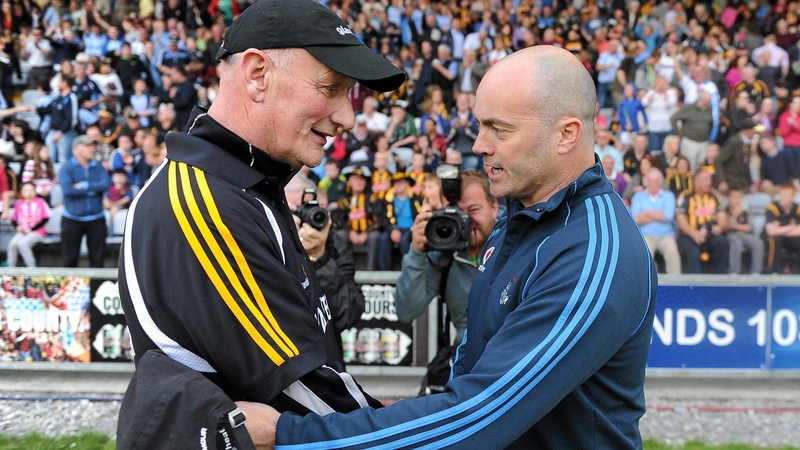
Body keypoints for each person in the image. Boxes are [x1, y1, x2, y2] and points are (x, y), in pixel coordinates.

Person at [237, 46, 657, 450]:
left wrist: (289, 435)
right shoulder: (520, 215)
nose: (478, 145)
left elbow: (478, 416)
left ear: (567, 135)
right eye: (479, 125)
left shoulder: (594, 251)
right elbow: (472, 372)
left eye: (500, 129)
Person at [117, 0, 406, 446]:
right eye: (331, 87)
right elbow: (311, 404)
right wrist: (444, 423)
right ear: (256, 74)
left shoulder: (244, 185)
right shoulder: (203, 200)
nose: (348, 116)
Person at [395, 170, 498, 346]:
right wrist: (417, 252)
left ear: (494, 208)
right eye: (457, 214)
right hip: (466, 359)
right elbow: (407, 311)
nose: (465, 221)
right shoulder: (443, 256)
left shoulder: (515, 243)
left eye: (473, 210)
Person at [59, 135, 111, 267]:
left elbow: (106, 185)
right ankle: (71, 288)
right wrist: (94, 189)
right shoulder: (67, 168)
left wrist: (83, 185)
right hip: (72, 219)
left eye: (93, 146)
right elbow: (69, 191)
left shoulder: (98, 167)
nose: (92, 149)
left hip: (96, 218)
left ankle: (96, 288)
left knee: (98, 260)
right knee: (70, 259)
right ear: (77, 149)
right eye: (88, 146)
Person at [676, 170, 729, 274]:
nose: (709, 183)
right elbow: (680, 220)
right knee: (693, 251)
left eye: (710, 180)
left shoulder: (713, 196)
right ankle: (695, 284)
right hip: (689, 234)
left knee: (722, 243)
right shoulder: (685, 196)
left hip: (710, 234)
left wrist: (720, 227)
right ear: (696, 182)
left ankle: (720, 280)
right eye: (705, 180)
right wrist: (693, 233)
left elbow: (721, 216)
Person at [631, 168, 681, 274]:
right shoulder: (638, 197)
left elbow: (668, 216)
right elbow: (636, 219)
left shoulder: (669, 196)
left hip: (666, 235)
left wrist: (647, 212)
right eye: (651, 181)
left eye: (656, 181)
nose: (653, 184)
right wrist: (659, 215)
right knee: (644, 255)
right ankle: (646, 285)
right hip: (646, 235)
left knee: (673, 252)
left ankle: (676, 283)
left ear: (661, 183)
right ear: (646, 182)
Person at [7, 182, 50, 267]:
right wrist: (18, 227)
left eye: (31, 190)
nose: (29, 193)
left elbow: (46, 218)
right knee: (12, 245)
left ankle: (31, 269)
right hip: (23, 231)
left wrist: (32, 229)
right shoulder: (19, 204)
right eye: (26, 191)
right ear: (22, 192)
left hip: (38, 231)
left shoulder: (40, 202)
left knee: (23, 244)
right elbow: (14, 220)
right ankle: (10, 269)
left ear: (35, 192)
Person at [724, 188, 765, 275]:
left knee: (758, 242)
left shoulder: (744, 212)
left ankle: (756, 272)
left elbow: (748, 228)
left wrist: (735, 226)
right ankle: (734, 271)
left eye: (738, 198)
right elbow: (726, 227)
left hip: (744, 235)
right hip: (731, 235)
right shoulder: (725, 211)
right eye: (734, 197)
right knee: (736, 243)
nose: (736, 200)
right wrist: (735, 216)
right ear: (728, 198)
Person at [764, 183, 800, 274]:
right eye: (782, 194)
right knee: (774, 240)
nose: (783, 197)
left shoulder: (797, 209)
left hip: (788, 237)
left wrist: (780, 229)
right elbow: (770, 231)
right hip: (770, 237)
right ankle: (771, 271)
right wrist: (791, 227)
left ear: (793, 197)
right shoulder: (772, 208)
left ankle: (796, 271)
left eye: (787, 195)